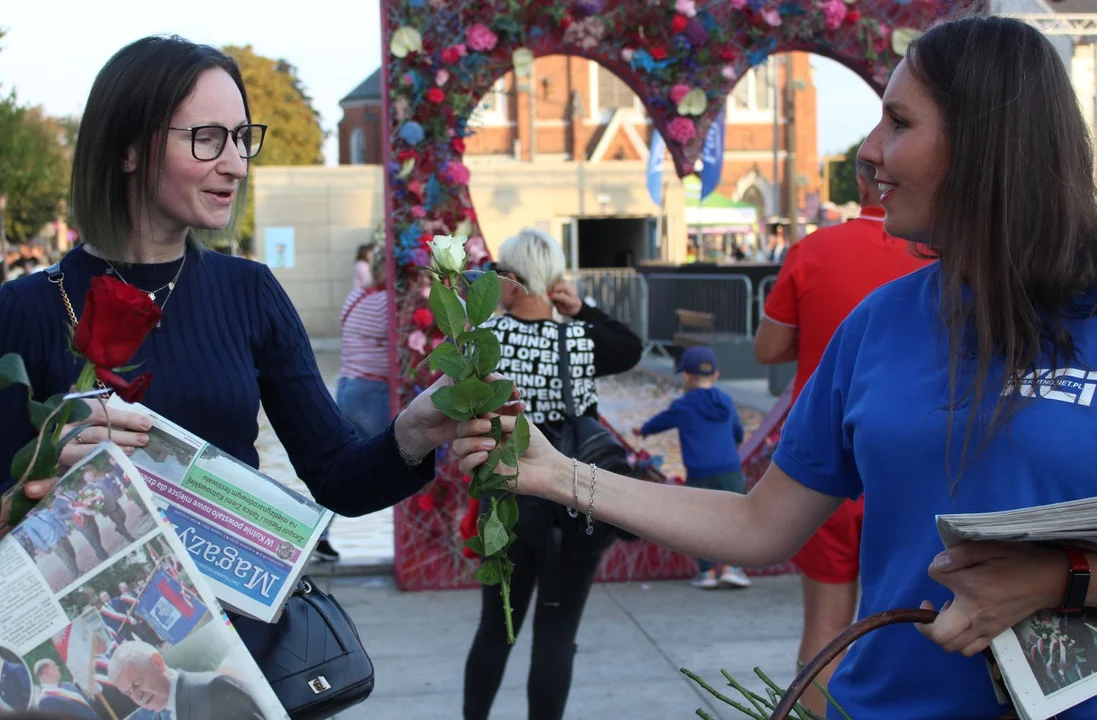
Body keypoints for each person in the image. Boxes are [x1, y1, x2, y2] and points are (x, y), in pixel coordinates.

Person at [451, 16, 1097, 718]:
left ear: (986, 144)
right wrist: (553, 474)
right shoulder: (879, 323)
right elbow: (758, 524)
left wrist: (1062, 578)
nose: (869, 151)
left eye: (899, 123)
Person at [0, 34, 521, 660]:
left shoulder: (250, 293)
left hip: (231, 659)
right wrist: (42, 480)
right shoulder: (25, 310)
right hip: (81, 667)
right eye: (208, 139)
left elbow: (336, 478)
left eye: (243, 138)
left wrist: (415, 429)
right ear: (130, 148)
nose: (237, 164)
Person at [752, 161, 931, 712]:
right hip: (914, 466)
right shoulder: (940, 256)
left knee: (826, 633)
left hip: (825, 460)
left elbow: (768, 349)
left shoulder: (814, 250)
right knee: (916, 633)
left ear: (860, 182)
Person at [462, 227, 642, 720]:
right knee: (557, 636)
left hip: (507, 503)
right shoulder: (580, 338)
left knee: (495, 630)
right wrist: (578, 308)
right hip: (573, 501)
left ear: (516, 280)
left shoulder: (487, 338)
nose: (492, 279)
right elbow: (630, 347)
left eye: (498, 272)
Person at [633, 345, 750, 589]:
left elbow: (659, 422)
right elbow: (738, 432)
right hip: (729, 470)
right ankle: (731, 567)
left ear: (686, 376)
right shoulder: (726, 402)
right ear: (716, 375)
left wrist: (642, 430)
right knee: (734, 519)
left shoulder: (683, 405)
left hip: (699, 473)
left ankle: (707, 572)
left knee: (701, 522)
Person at [316, 244, 392, 562]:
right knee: (411, 461)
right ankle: (426, 537)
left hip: (346, 388)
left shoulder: (356, 296)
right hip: (374, 392)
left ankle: (317, 534)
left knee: (342, 465)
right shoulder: (389, 303)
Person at [107, 641, 262, 720]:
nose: (137, 697)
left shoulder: (212, 688)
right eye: (128, 693)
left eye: (136, 684)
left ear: (157, 663)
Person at [32, 660, 98, 720]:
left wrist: (91, 689)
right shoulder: (45, 700)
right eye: (54, 666)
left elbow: (87, 704)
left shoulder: (67, 684)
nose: (58, 667)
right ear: (46, 671)